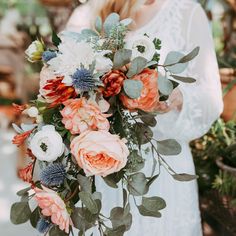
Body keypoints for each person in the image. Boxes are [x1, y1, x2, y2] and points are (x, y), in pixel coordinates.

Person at [67, 0, 223, 235]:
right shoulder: (86, 15)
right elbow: (62, 84)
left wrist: (178, 96)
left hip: (163, 170)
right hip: (100, 167)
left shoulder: (187, 12)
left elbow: (211, 98)